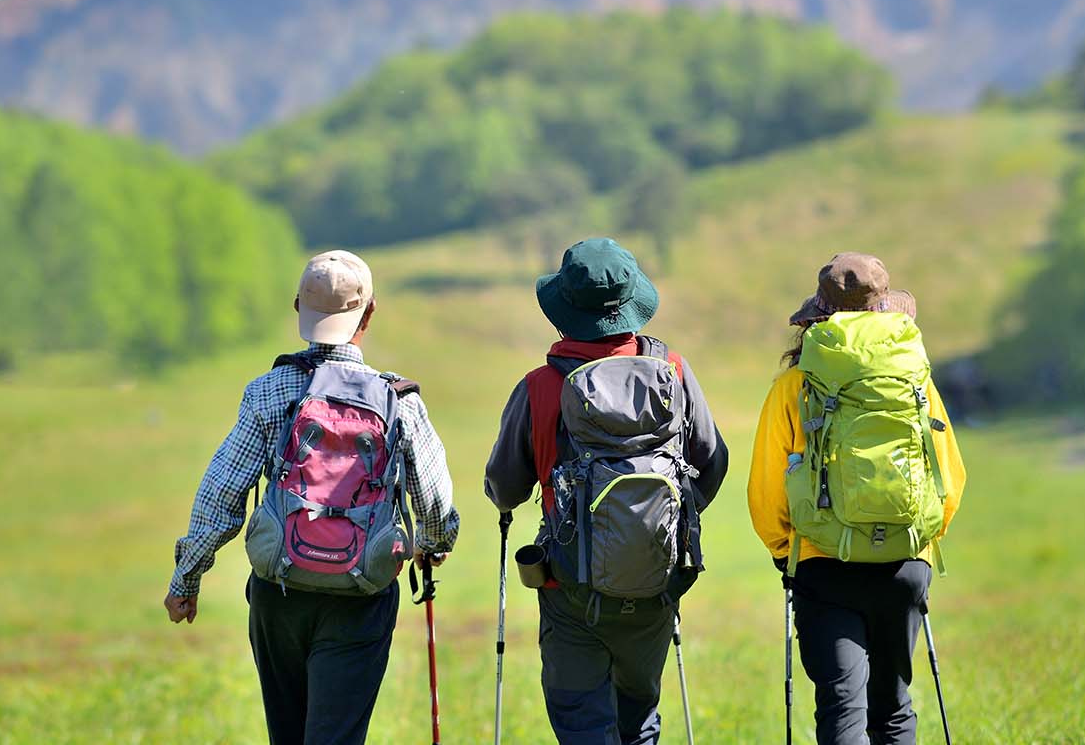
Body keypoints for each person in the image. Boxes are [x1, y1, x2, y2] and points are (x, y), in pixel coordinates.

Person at [163, 250, 461, 745]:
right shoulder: (399, 400)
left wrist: (187, 576)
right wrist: (432, 543)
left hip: (280, 590)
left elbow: (222, 491)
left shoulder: (269, 391)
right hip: (361, 593)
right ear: (369, 313)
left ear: (298, 306)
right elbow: (434, 501)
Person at [485, 237, 729, 745]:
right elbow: (712, 462)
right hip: (657, 580)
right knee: (638, 718)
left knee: (581, 722)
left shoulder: (540, 387)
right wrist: (661, 518)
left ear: (564, 311)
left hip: (568, 587)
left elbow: (505, 487)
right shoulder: (674, 373)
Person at [748, 253, 966, 745]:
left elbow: (765, 493)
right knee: (892, 709)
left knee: (842, 709)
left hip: (825, 567)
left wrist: (788, 552)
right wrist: (922, 541)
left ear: (816, 320)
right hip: (904, 564)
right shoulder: (916, 382)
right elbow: (949, 477)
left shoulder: (793, 387)